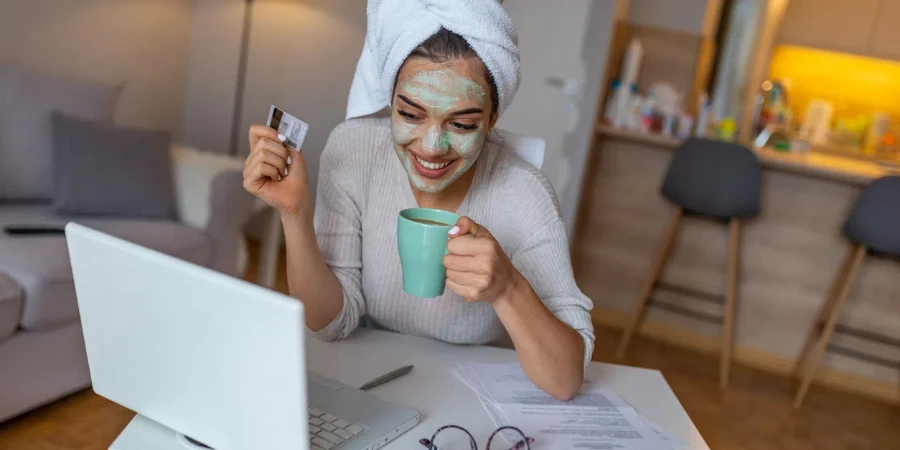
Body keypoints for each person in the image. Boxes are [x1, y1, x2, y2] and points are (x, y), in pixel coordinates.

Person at [242, 1, 594, 400]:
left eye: (462, 124)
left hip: (470, 401)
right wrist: (295, 214)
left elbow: (565, 380)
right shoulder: (353, 151)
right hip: (370, 386)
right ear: (390, 98)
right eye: (410, 115)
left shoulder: (524, 193)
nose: (432, 146)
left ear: (492, 120)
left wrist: (508, 287)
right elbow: (329, 324)